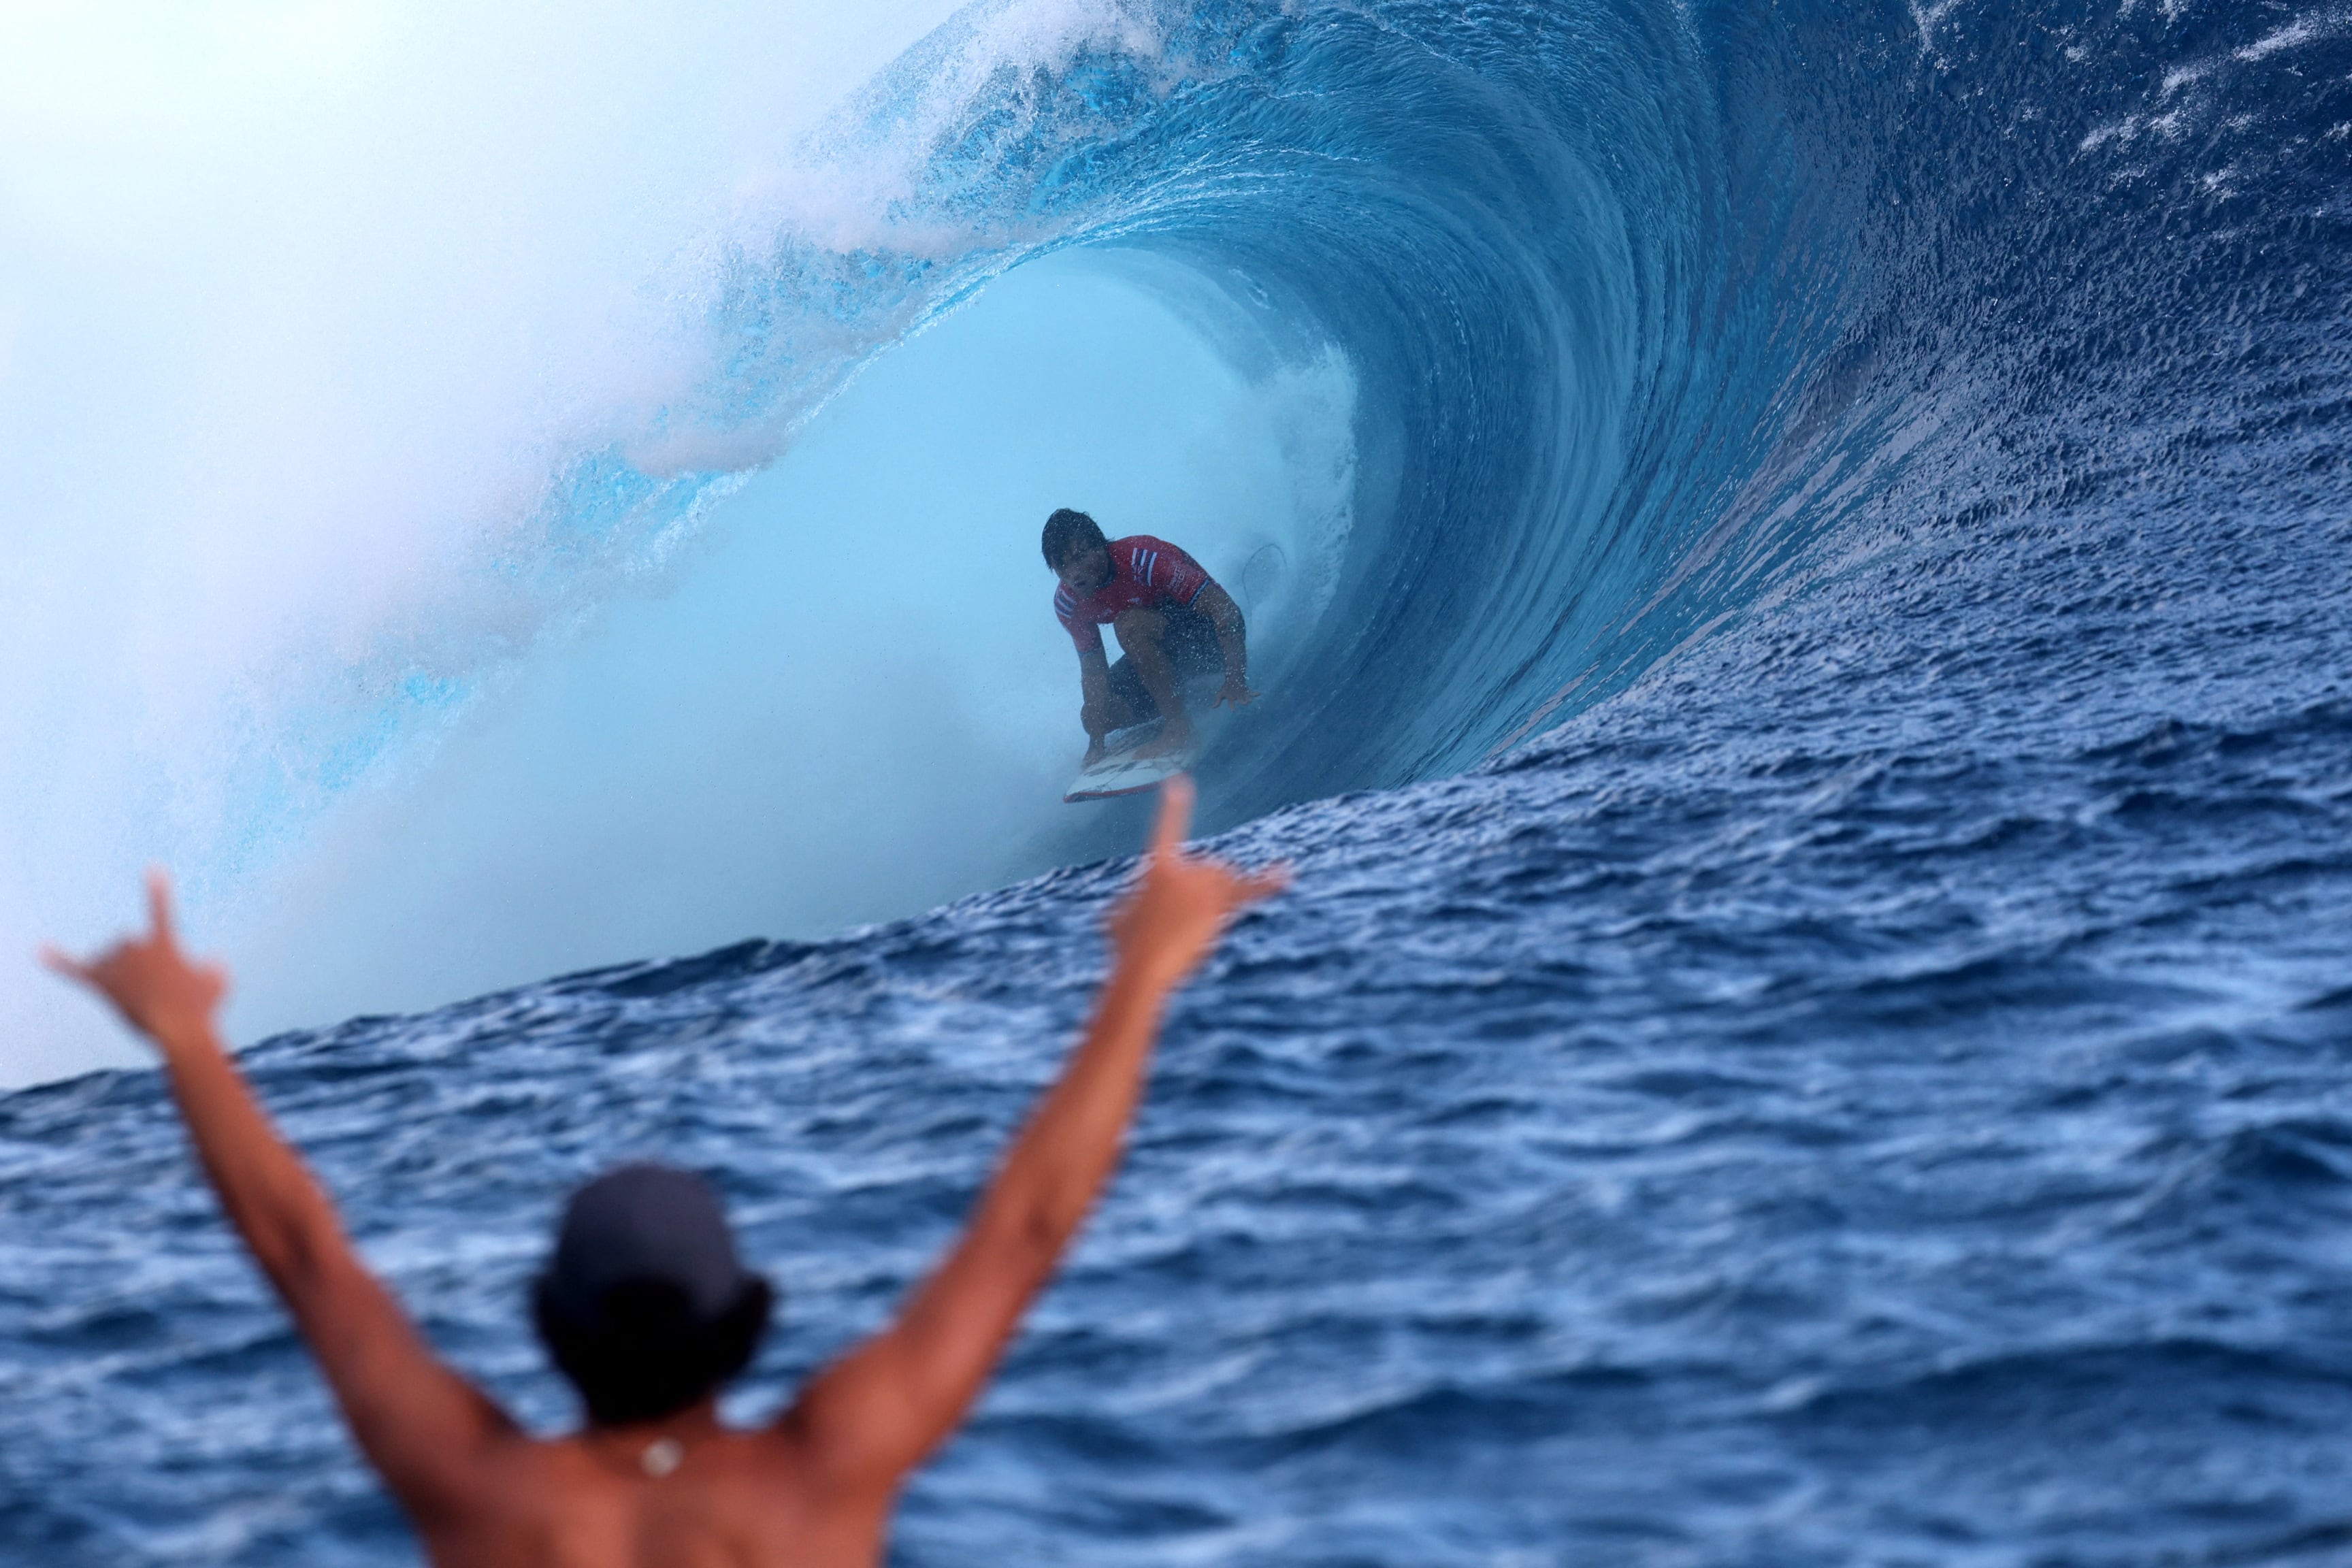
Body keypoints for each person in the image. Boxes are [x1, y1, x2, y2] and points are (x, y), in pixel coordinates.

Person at [43, 779, 1285, 1568]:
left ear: (544, 1323)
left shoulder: (488, 1494)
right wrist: (1142, 970)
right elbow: (1025, 1226)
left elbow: (303, 1251)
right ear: (749, 1324)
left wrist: (187, 1038)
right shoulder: (821, 1473)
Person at [1043, 508, 1258, 764]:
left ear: (1101, 547)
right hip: (1172, 661)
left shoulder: (1144, 560)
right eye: (1063, 565)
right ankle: (1180, 698)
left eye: (1080, 557)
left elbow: (1225, 610)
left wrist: (1236, 678)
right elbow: (1093, 671)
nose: (1074, 573)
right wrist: (1096, 744)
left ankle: (1179, 726)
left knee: (1130, 625)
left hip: (1207, 646)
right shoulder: (1069, 602)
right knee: (1096, 716)